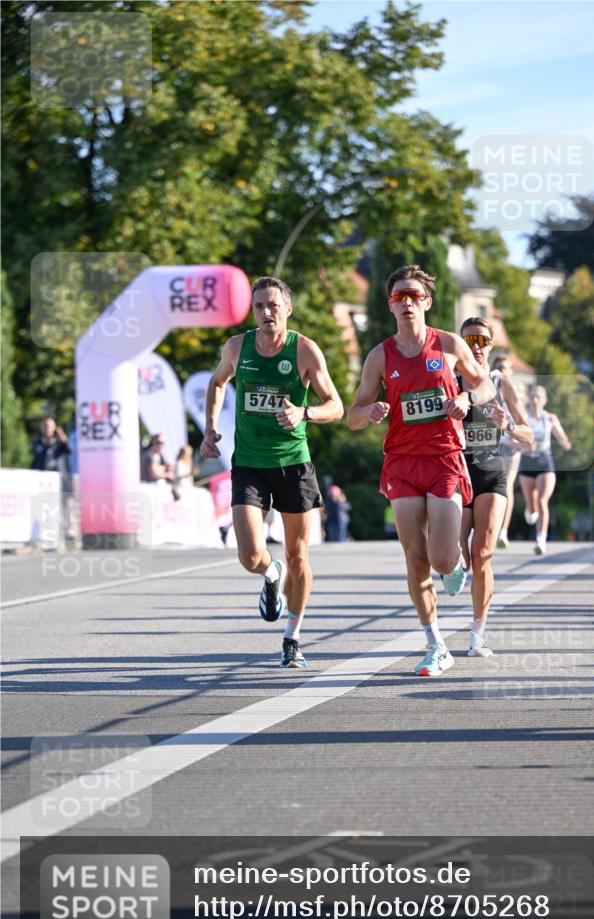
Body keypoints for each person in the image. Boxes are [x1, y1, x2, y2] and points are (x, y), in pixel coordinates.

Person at [347, 265, 495, 678]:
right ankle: (435, 644)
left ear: (427, 302)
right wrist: (370, 411)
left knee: (443, 559)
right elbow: (352, 415)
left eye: (414, 296)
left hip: (445, 457)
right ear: (390, 305)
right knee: (415, 560)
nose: (407, 302)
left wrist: (466, 398)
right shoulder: (380, 355)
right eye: (399, 297)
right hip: (402, 462)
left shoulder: (448, 345)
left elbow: (484, 384)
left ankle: (455, 568)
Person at [200, 275, 344, 669]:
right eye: (259, 305)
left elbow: (336, 405)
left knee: (299, 556)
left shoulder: (305, 351)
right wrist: (211, 427)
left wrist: (305, 412)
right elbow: (216, 382)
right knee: (249, 555)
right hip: (249, 464)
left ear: (287, 309)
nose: (266, 312)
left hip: (294, 464)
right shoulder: (237, 347)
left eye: (273, 305)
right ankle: (269, 574)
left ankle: (292, 637)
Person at [456, 320, 532, 656]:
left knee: (483, 554)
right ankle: (452, 571)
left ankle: (478, 633)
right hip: (456, 473)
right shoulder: (449, 380)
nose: (475, 345)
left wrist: (510, 425)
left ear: (490, 344)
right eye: (469, 339)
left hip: (491, 473)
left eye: (482, 340)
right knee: (457, 557)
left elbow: (529, 434)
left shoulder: (503, 383)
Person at [518, 385, 571, 556]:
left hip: (544, 462)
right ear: (528, 399)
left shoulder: (550, 418)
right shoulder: (523, 416)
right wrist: (523, 444)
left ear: (545, 400)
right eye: (532, 396)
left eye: (538, 397)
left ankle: (541, 540)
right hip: (527, 462)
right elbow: (514, 438)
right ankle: (530, 508)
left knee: (542, 501)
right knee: (532, 507)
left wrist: (564, 441)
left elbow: (561, 435)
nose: (535, 400)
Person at [492, 355, 523, 549]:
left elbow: (523, 419)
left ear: (511, 371)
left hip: (510, 444)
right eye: (498, 367)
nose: (502, 371)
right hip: (491, 443)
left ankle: (503, 531)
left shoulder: (517, 390)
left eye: (505, 368)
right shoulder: (486, 387)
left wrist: (516, 434)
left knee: (507, 485)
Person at [141, 433, 181, 500]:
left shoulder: (158, 456)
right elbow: (153, 474)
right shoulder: (149, 455)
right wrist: (167, 474)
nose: (163, 445)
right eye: (160, 443)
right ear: (154, 443)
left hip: (154, 487)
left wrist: (165, 467)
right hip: (150, 488)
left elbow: (157, 469)